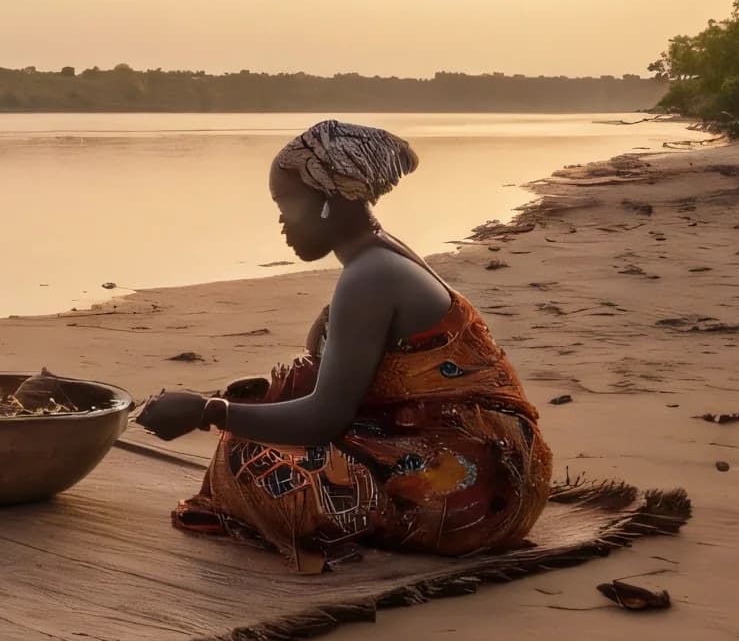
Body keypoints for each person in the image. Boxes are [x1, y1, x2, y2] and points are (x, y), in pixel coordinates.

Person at [137, 120, 552, 573]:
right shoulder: (380, 256)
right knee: (262, 406)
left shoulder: (370, 274)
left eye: (286, 203)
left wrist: (207, 412)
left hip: (467, 492)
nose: (280, 220)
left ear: (329, 199)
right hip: (504, 471)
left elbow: (324, 418)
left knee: (245, 453)